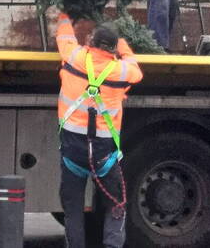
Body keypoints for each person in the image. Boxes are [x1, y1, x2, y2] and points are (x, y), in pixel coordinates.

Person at [56, 13, 143, 248]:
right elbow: (136, 69)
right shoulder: (120, 71)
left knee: (73, 209)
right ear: (113, 50)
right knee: (115, 205)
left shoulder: (75, 57)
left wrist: (65, 15)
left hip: (73, 150)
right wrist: (123, 44)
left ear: (90, 43)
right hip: (104, 153)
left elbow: (64, 39)